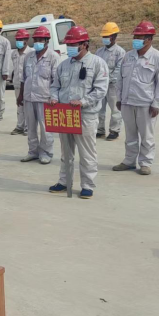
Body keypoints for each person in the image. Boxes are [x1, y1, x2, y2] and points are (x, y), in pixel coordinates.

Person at [49, 26, 108, 199]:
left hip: (85, 115)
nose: (70, 48)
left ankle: (87, 185)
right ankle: (64, 181)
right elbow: (55, 86)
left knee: (87, 153)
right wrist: (54, 98)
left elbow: (100, 90)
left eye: (73, 44)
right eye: (68, 44)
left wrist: (83, 101)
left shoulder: (97, 63)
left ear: (84, 44)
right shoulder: (63, 65)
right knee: (66, 152)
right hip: (66, 114)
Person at [113, 21, 159, 175]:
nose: (135, 40)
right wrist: (119, 98)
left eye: (139, 37)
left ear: (149, 39)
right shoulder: (128, 56)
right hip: (127, 102)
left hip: (146, 104)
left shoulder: (158, 58)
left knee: (146, 136)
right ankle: (129, 161)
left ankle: (145, 163)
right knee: (130, 135)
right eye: (135, 36)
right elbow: (120, 79)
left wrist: (156, 103)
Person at [17, 26, 60, 164]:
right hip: (29, 97)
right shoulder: (28, 56)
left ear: (47, 40)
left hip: (45, 98)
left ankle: (46, 153)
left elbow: (56, 80)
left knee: (46, 128)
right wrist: (20, 95)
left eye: (40, 40)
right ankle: (33, 152)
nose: (37, 42)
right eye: (35, 40)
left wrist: (54, 98)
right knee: (30, 127)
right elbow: (24, 78)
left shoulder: (53, 57)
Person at [96, 22, 126, 140]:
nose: (104, 39)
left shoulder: (120, 52)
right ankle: (100, 130)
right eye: (103, 36)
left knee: (115, 109)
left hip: (113, 86)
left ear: (113, 37)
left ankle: (114, 130)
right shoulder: (99, 52)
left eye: (106, 36)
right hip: (100, 85)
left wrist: (106, 80)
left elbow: (118, 70)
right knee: (99, 108)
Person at [10, 29, 34, 136]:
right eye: (17, 39)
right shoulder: (14, 53)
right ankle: (20, 126)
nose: (19, 41)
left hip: (28, 84)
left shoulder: (31, 53)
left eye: (21, 39)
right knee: (19, 106)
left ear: (26, 40)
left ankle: (28, 127)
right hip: (17, 84)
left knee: (28, 107)